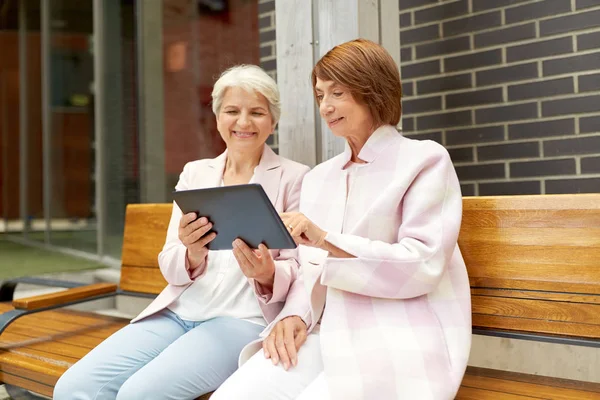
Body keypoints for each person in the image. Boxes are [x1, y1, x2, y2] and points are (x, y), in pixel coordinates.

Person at [211, 39, 472, 400]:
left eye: (338, 93)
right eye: (320, 95)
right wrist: (294, 315)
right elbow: (309, 270)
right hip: (323, 329)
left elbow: (423, 263)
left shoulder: (424, 160)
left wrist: (324, 238)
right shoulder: (320, 177)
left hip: (395, 334)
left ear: (373, 91)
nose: (326, 107)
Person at [53, 64, 310, 400]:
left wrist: (268, 273)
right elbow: (169, 262)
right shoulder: (196, 173)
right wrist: (192, 252)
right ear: (218, 118)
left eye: (257, 112)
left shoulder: (295, 178)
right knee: (73, 387)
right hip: (178, 312)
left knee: (138, 395)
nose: (244, 122)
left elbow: (303, 266)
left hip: (241, 321)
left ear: (272, 121)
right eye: (232, 111)